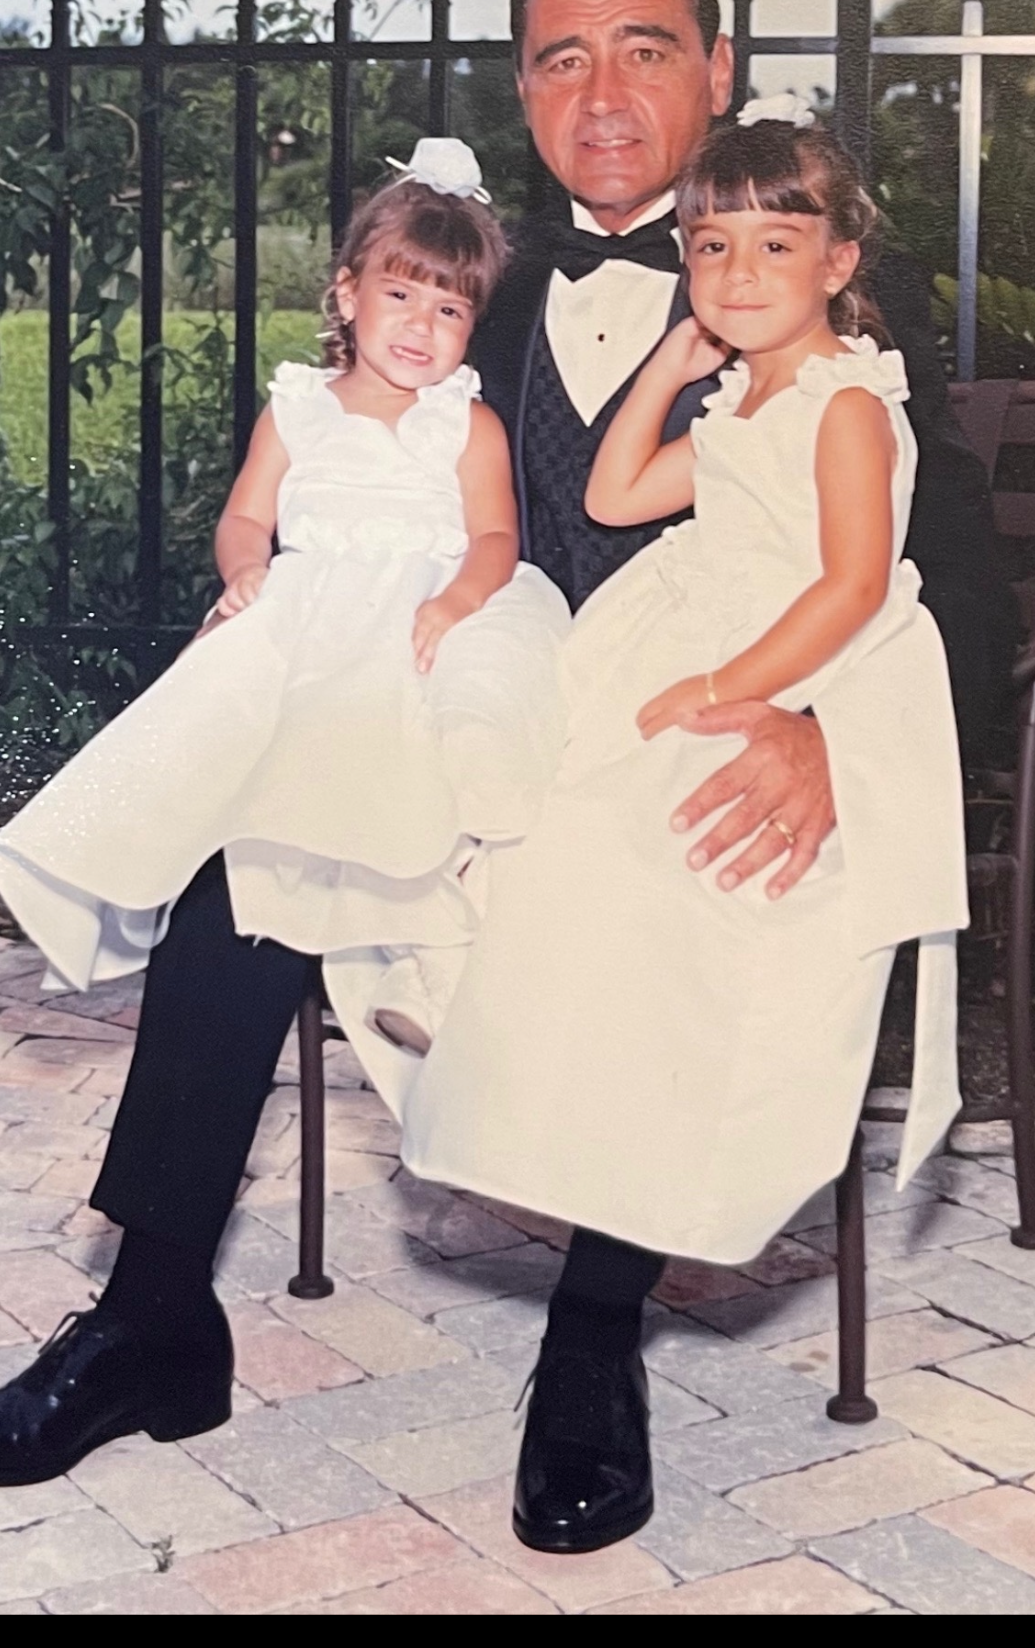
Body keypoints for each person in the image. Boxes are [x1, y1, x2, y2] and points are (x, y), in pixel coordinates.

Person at [0, 0, 1013, 1513]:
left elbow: (946, 593)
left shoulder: (793, 277)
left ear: (716, 71)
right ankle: (151, 1325)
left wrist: (817, 730)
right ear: (519, 92)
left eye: (644, 50)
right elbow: (334, 488)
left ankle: (591, 1346)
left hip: (687, 737)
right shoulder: (468, 291)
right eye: (557, 59)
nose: (600, 94)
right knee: (247, 870)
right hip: (474, 712)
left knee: (654, 886)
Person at [0, 144, 568, 1486]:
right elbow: (246, 520)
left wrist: (455, 607)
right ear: (344, 294)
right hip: (314, 671)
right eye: (403, 298)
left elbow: (497, 543)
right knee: (225, 892)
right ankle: (154, 1322)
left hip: (462, 682)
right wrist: (244, 581)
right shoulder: (302, 407)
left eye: (451, 308)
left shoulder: (472, 424)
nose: (425, 327)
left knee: (387, 838)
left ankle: (158, 1323)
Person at [405, 114, 969, 1549]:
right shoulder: (745, 399)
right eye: (707, 246)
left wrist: (728, 688)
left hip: (787, 669)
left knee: (647, 880)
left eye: (773, 245)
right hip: (685, 643)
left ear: (840, 261)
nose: (733, 270)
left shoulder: (847, 401)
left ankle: (598, 1308)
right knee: (524, 844)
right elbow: (608, 494)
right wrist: (677, 360)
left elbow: (849, 585)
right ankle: (515, 1074)